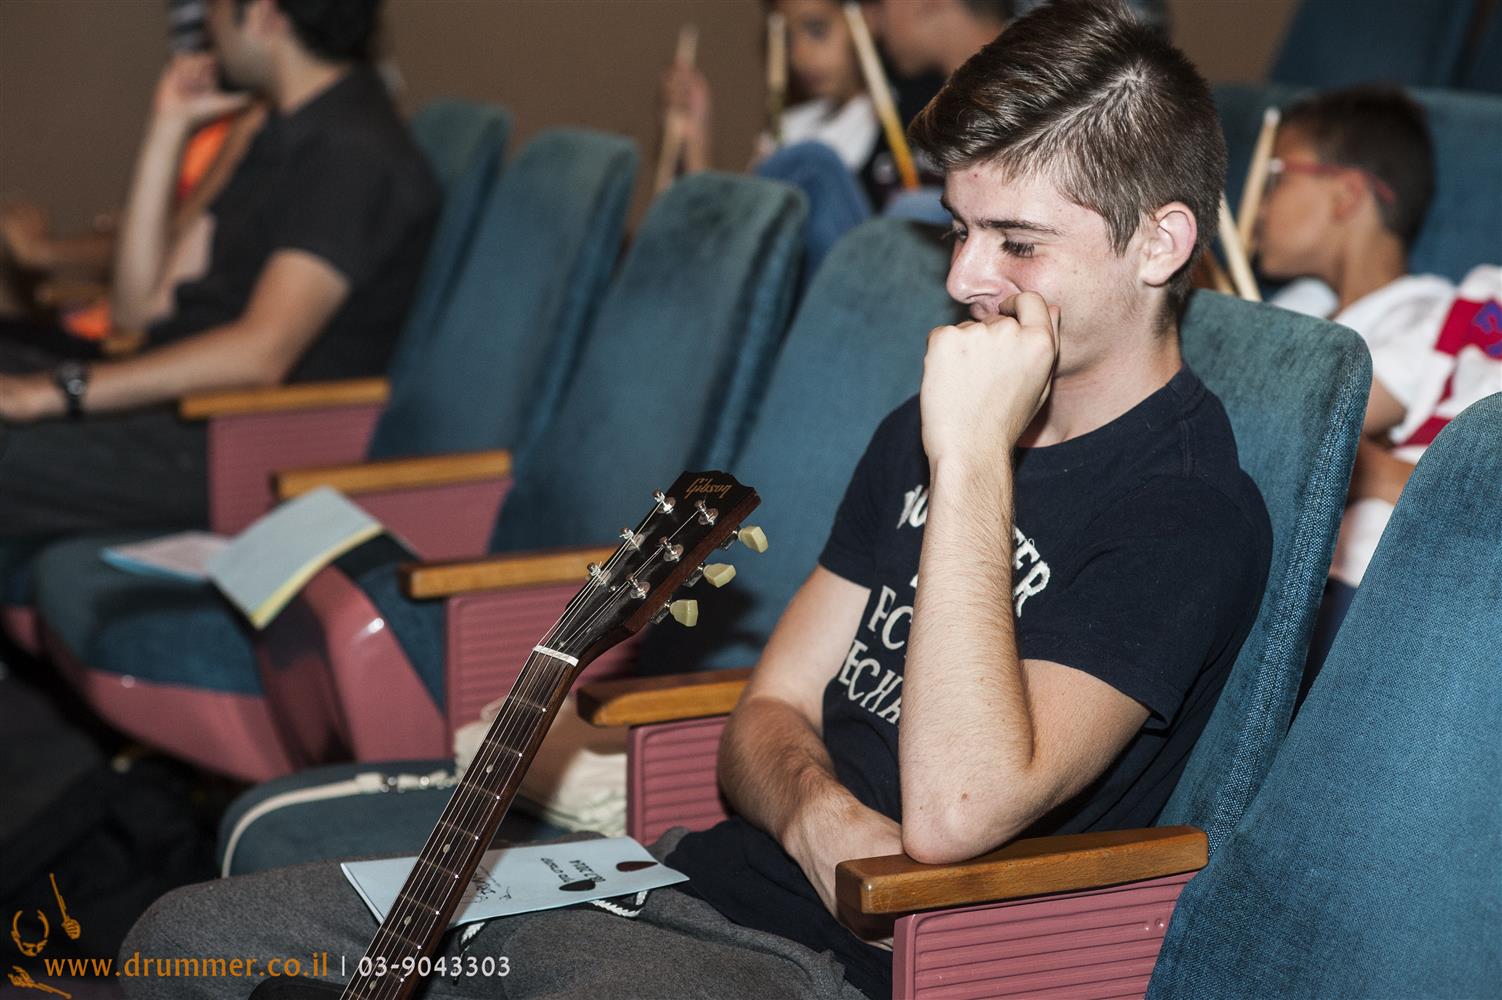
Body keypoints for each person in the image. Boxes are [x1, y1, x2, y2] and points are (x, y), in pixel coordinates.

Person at [119, 3, 1271, 998]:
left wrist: (973, 460)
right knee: (189, 941)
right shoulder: (924, 424)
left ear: (1159, 243)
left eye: (1016, 242)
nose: (966, 277)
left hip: (827, 970)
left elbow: (957, 812)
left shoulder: (1183, 512)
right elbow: (763, 716)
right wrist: (813, 811)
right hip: (663, 884)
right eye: (959, 229)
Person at [0, 0, 439, 538]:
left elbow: (260, 355)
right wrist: (168, 126)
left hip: (232, 448)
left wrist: (52, 391)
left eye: (215, 6)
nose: (205, 23)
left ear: (264, 17)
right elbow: (140, 308)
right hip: (179, 412)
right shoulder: (278, 128)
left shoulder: (354, 153)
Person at [1254, 86, 1502, 677]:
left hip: (1361, 590)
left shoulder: (1428, 313)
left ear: (1346, 195)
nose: (1257, 206)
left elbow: (1309, 426)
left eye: (1277, 177)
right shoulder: (1301, 304)